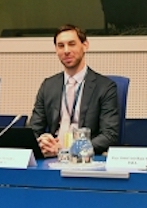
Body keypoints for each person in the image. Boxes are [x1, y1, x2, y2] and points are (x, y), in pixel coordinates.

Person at [30, 24, 119, 156]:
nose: (66, 51)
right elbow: (34, 129)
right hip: (51, 157)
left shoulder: (105, 87)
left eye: (72, 44)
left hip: (85, 160)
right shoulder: (48, 85)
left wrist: (69, 150)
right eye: (61, 46)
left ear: (85, 45)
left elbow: (109, 135)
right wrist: (42, 142)